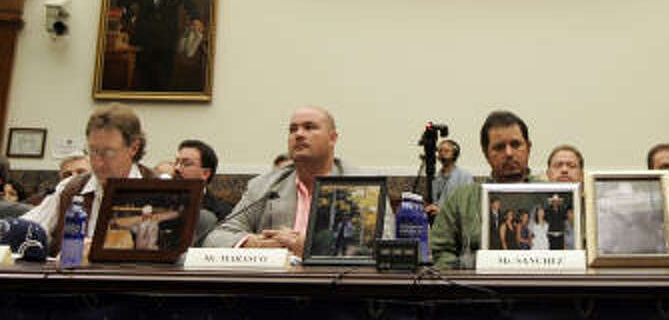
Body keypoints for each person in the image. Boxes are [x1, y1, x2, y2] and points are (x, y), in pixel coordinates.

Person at [205, 106, 384, 251]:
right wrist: (254, 243)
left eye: (309, 127)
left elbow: (383, 242)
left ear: (332, 138)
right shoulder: (264, 186)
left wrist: (311, 247)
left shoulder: (362, 185)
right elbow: (216, 237)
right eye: (293, 129)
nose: (298, 134)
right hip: (276, 287)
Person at [23, 102, 156, 255]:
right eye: (93, 151)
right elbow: (27, 229)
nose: (98, 162)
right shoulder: (70, 188)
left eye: (109, 152)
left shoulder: (160, 189)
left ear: (133, 147)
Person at [430, 110, 535, 268]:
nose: (508, 153)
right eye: (499, 147)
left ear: (528, 147)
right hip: (476, 289)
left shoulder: (552, 195)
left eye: (515, 144)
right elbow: (441, 251)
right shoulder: (462, 198)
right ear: (486, 153)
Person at [115, 0, 204, 91]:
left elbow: (190, 5)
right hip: (143, 41)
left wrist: (196, 19)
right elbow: (121, 2)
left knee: (163, 82)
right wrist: (130, 17)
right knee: (143, 81)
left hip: (167, 41)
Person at [174, 139, 232, 220]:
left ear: (205, 173)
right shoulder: (162, 202)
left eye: (186, 164)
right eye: (176, 162)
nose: (176, 168)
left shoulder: (222, 212)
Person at [427, 139, 472, 218]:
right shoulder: (436, 178)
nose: (442, 154)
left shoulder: (464, 176)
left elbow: (468, 206)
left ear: (455, 154)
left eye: (446, 151)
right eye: (440, 151)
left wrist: (442, 211)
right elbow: (436, 202)